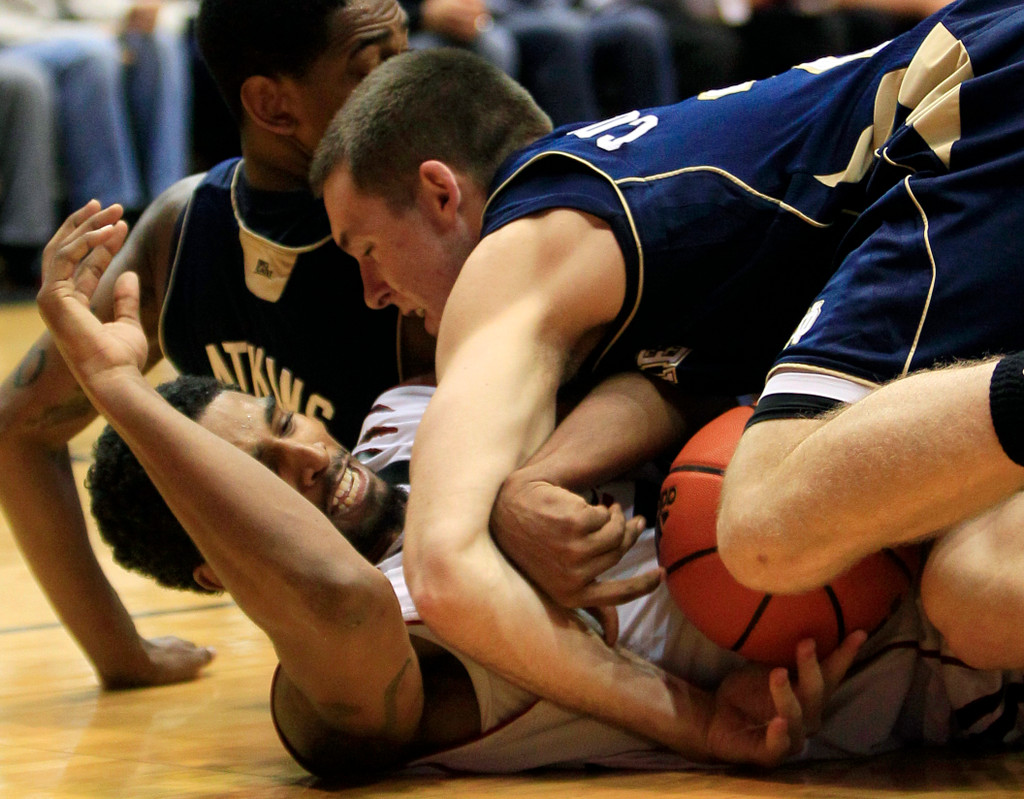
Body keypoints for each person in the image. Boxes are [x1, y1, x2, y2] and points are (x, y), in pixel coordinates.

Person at [43, 216, 1024, 777]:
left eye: (282, 421)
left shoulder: (406, 412)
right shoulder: (349, 681)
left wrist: (533, 477)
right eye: (260, 472)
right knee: (971, 594)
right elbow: (335, 600)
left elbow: (665, 372)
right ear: (219, 566)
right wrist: (121, 392)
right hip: (950, 658)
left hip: (887, 458)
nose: (302, 453)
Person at [306, 0, 1024, 728]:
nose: (372, 293)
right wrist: (532, 481)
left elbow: (443, 572)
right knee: (978, 595)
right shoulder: (617, 248)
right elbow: (673, 383)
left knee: (765, 522)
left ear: (440, 194)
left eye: (366, 248)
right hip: (978, 114)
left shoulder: (514, 254)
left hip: (971, 98)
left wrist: (694, 722)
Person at [0, 0, 419, 690]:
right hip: (363, 642)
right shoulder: (185, 230)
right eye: (375, 67)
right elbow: (20, 429)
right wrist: (121, 654)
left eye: (408, 52)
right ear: (273, 105)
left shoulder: (435, 208)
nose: (411, 83)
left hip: (479, 589)